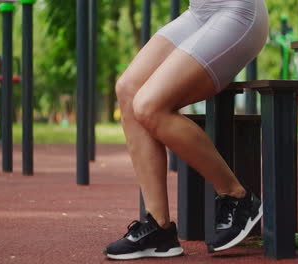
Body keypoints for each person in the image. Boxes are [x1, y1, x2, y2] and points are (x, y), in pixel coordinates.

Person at [103, 0, 269, 260]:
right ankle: (159, 229)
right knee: (128, 89)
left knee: (149, 105)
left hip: (238, 12)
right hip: (200, 12)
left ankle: (238, 197)